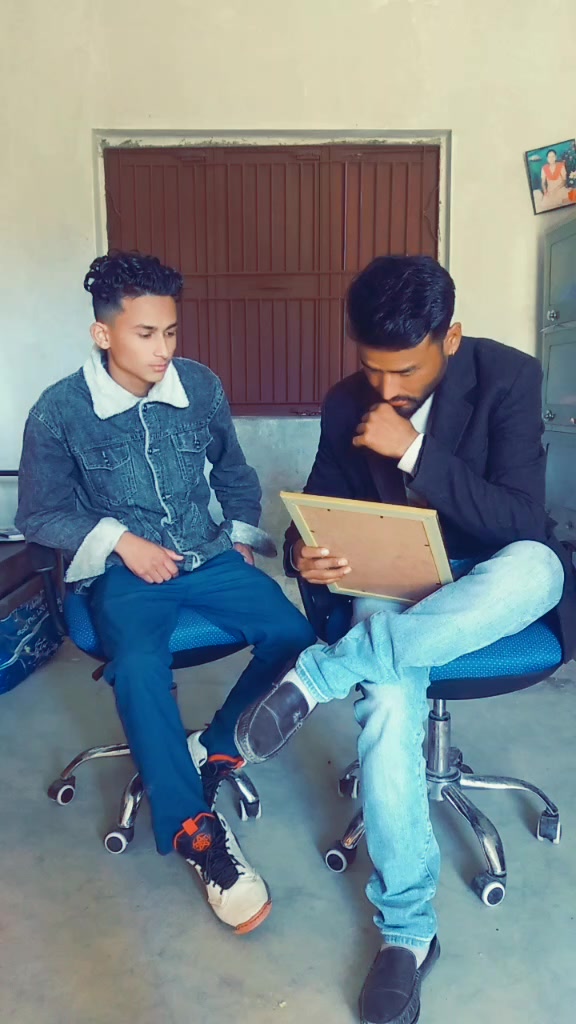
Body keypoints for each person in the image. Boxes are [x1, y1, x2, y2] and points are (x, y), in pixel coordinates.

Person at [232, 256, 576, 1023]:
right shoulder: (344, 401)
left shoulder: (509, 378)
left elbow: (519, 519)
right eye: (372, 369)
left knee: (542, 568)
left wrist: (415, 451)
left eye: (407, 370)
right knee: (388, 702)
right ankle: (407, 935)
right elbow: (318, 504)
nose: (386, 389)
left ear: (450, 337)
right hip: (392, 583)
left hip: (489, 579)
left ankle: (321, 674)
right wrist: (304, 551)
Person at [16, 251, 315, 934]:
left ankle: (216, 745)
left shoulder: (200, 387)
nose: (163, 349)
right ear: (103, 334)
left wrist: (239, 535)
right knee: (139, 666)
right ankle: (195, 833)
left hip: (208, 554)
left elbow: (233, 471)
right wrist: (121, 541)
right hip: (124, 569)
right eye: (146, 333)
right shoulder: (60, 411)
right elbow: (38, 514)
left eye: (171, 332)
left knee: (298, 638)